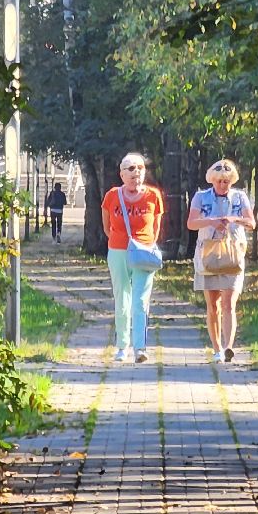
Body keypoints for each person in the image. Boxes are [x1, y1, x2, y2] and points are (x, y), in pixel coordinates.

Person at [187, 159, 256, 364]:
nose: (222, 185)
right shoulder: (200, 197)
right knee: (213, 305)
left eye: (226, 181)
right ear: (212, 180)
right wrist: (212, 222)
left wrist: (233, 220)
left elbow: (252, 223)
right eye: (218, 181)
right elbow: (191, 223)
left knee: (228, 303)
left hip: (233, 255)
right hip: (208, 255)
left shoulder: (240, 198)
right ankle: (216, 347)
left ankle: (228, 347)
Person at [102, 152, 164, 364]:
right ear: (121, 174)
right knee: (122, 299)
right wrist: (123, 243)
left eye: (140, 168)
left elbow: (156, 226)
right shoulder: (112, 196)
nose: (136, 172)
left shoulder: (153, 195)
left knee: (140, 301)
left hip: (144, 253)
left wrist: (145, 244)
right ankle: (122, 346)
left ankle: (140, 348)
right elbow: (107, 227)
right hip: (118, 251)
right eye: (131, 168)